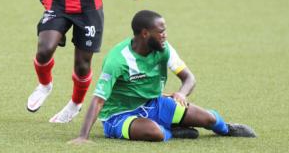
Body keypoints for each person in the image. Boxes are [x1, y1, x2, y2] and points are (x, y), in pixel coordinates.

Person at [69, 10, 256, 144]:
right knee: (154, 133)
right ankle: (171, 132)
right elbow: (98, 100)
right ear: (145, 33)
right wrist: (83, 136)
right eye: (161, 31)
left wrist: (182, 93)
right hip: (119, 116)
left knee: (208, 119)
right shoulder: (117, 59)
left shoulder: (164, 49)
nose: (165, 35)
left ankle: (228, 129)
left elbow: (189, 78)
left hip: (154, 103)